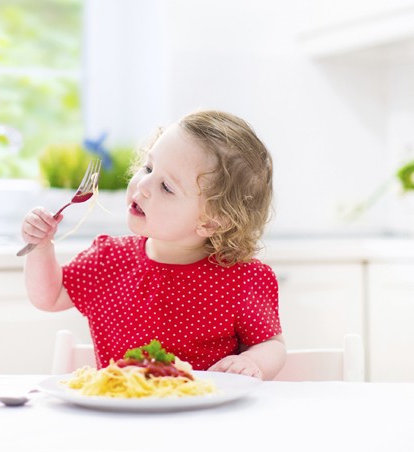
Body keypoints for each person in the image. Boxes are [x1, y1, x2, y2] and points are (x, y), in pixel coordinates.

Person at [20, 109, 286, 380]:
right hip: (121, 412)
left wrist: (253, 362)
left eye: (166, 187)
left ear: (211, 222)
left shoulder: (242, 279)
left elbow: (271, 345)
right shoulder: (108, 259)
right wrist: (41, 248)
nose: (143, 185)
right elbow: (49, 296)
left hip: (202, 417)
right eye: (148, 168)